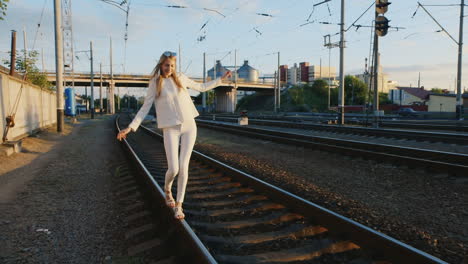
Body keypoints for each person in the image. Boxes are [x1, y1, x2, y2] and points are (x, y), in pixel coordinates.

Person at [117, 51, 231, 220]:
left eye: (172, 65)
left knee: (184, 166)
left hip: (189, 125)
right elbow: (145, 108)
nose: (169, 68)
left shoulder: (181, 78)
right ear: (161, 65)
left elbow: (201, 87)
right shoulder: (155, 83)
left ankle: (179, 205)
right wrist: (130, 127)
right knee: (174, 168)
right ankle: (167, 188)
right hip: (170, 127)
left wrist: (220, 80)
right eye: (166, 65)